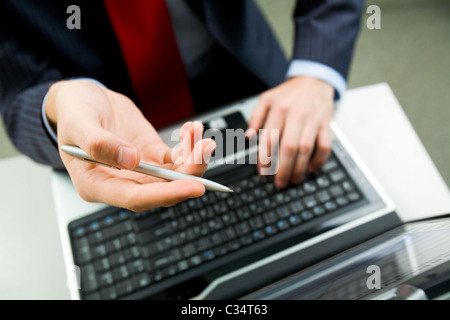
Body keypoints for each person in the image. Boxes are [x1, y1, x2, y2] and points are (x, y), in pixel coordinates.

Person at [0, 0, 363, 211]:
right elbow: (17, 93)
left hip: (241, 76)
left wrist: (315, 73)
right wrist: (60, 104)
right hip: (104, 132)